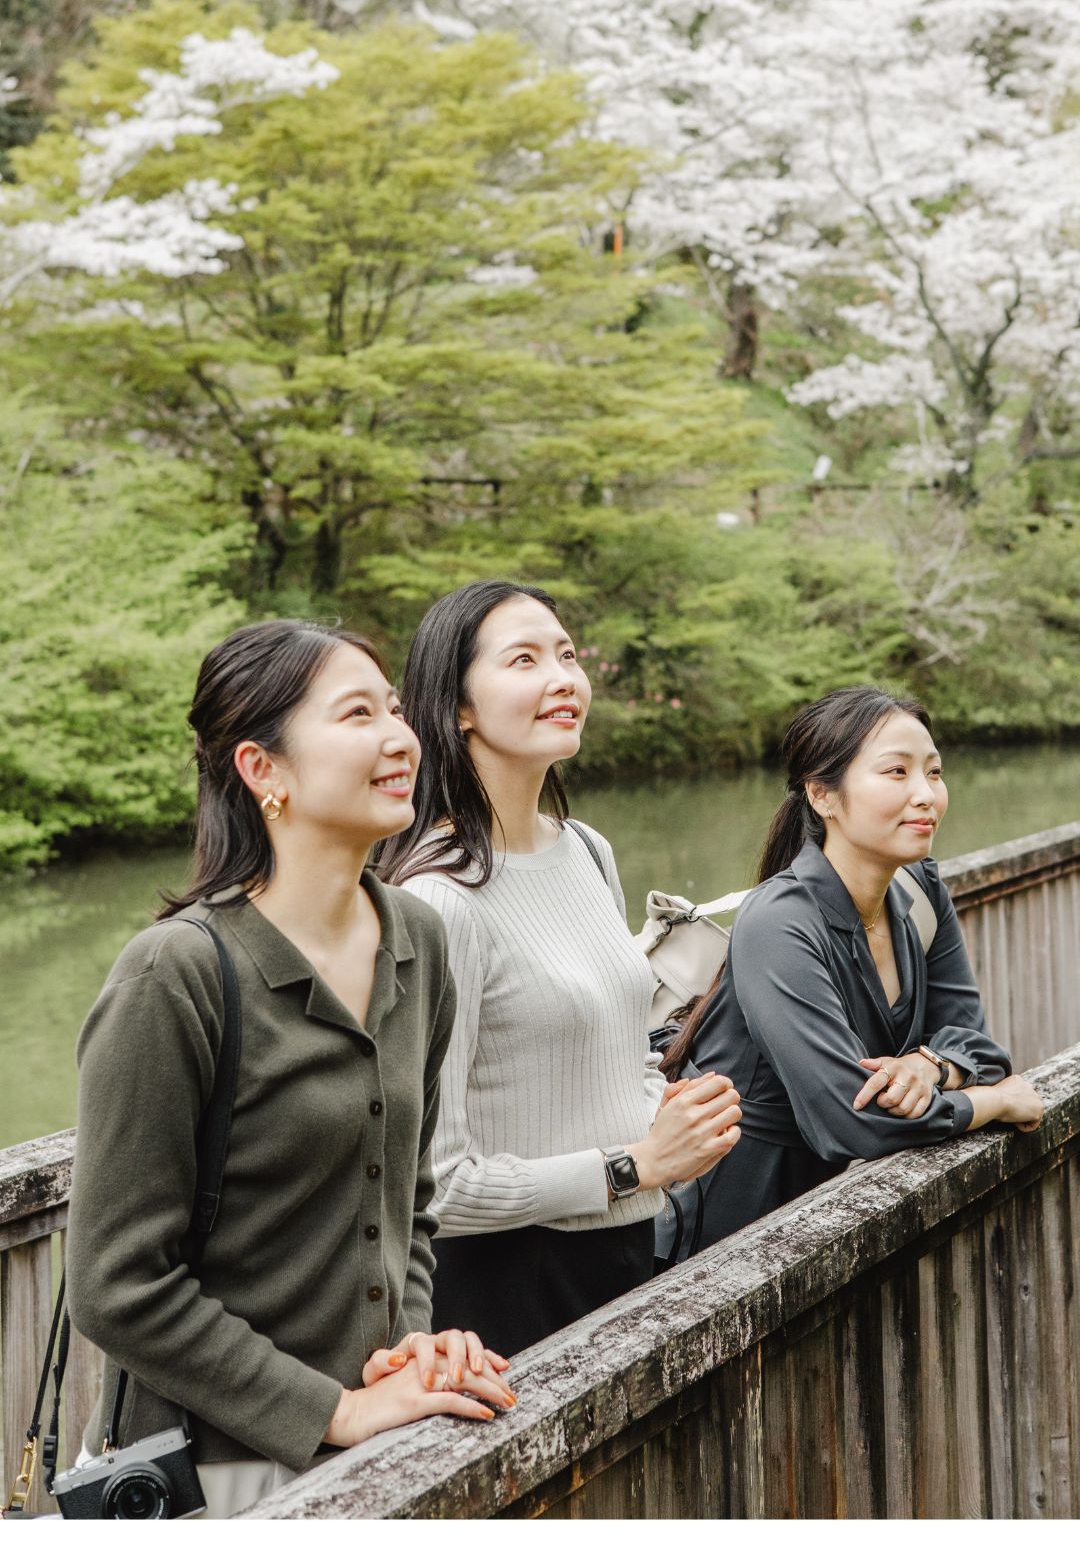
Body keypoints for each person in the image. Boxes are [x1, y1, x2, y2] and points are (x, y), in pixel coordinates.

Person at [65, 620, 515, 1520]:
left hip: (381, 1451)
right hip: (213, 1479)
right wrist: (334, 1410)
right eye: (357, 714)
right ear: (262, 769)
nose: (400, 736)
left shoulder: (418, 942)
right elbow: (116, 1286)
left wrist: (409, 1350)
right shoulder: (176, 975)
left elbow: (409, 1205)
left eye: (395, 708)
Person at [378, 580, 743, 1356]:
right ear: (459, 707)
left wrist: (671, 1116)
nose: (563, 678)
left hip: (628, 1250)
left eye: (568, 655)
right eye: (524, 659)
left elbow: (617, 1050)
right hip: (503, 1286)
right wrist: (632, 1165)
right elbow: (434, 1185)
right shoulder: (439, 899)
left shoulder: (585, 848)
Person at [656, 685, 1044, 1259]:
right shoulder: (778, 921)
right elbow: (848, 1119)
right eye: (896, 772)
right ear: (822, 795)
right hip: (735, 1225)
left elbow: (978, 1047)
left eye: (933, 773)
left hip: (838, 1209)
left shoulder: (919, 889)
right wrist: (995, 1104)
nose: (926, 795)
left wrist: (929, 1065)